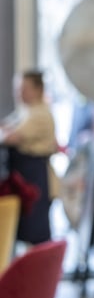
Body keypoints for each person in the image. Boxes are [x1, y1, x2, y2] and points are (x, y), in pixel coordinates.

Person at [0, 70, 59, 244]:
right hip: (25, 175)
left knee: (35, 232)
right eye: (18, 88)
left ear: (38, 89)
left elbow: (10, 137)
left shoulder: (39, 114)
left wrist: (5, 132)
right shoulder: (26, 111)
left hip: (35, 177)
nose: (20, 93)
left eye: (24, 88)